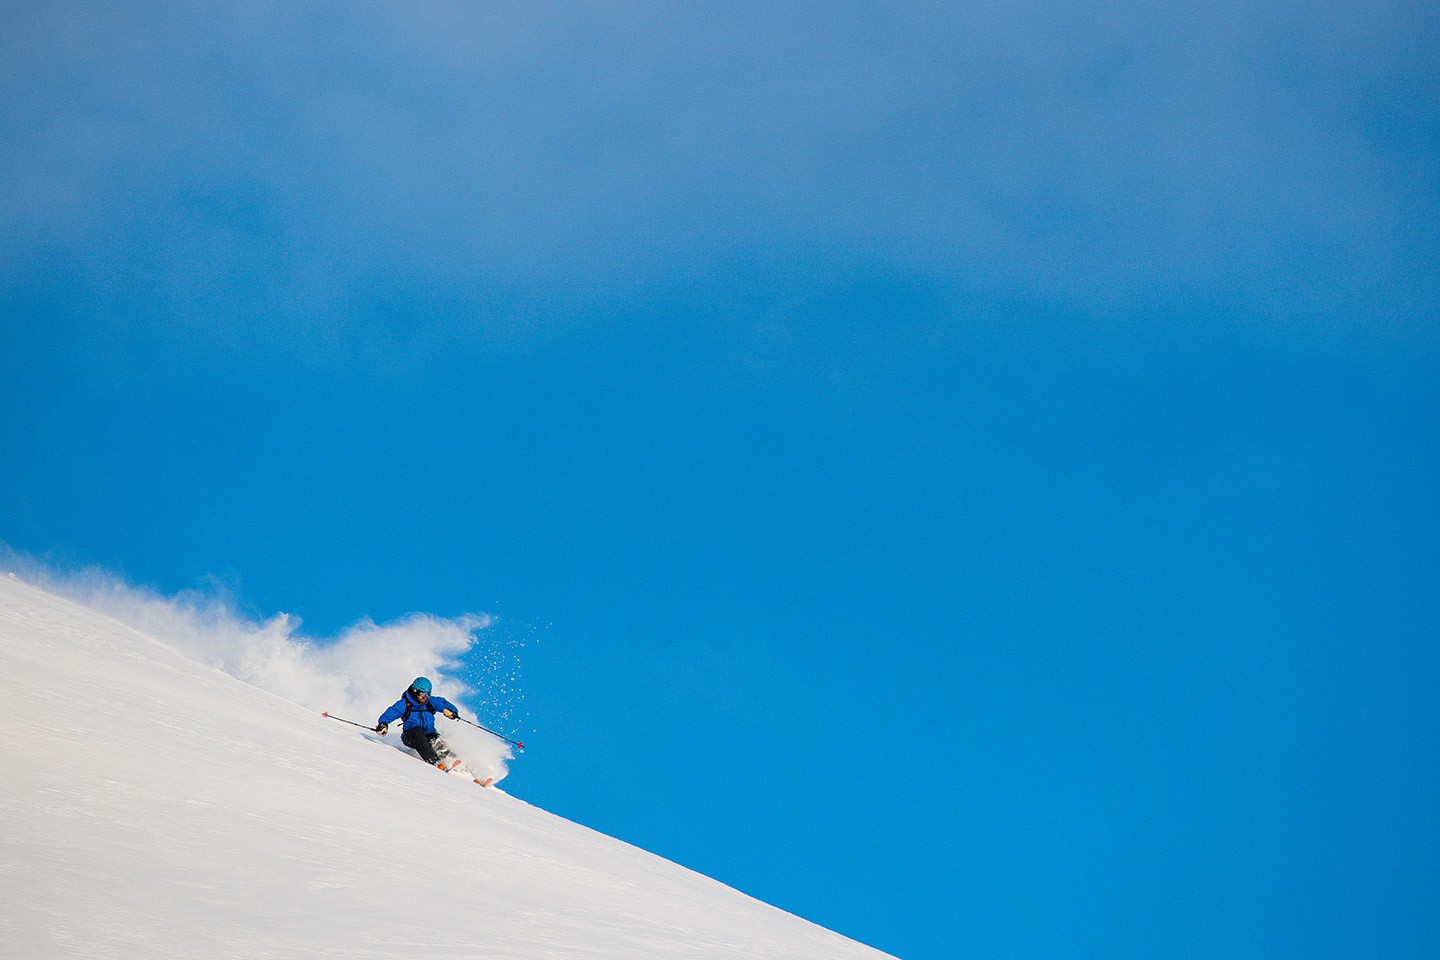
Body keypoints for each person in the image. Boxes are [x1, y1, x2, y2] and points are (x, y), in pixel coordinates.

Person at [374, 677, 461, 766]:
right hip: (410, 736)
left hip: (429, 735)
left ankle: (456, 765)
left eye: (427, 695)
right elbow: (389, 714)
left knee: (436, 741)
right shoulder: (404, 704)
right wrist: (383, 725)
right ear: (415, 692)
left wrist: (451, 712)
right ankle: (436, 763)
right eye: (422, 695)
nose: (425, 698)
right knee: (418, 734)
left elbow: (443, 703)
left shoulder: (430, 702)